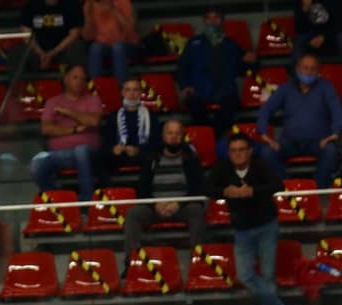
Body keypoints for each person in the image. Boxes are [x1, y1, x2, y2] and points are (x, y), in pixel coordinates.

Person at [206, 134, 298, 305]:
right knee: (245, 275)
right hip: (242, 229)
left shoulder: (260, 164)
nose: (237, 154)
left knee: (267, 276)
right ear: (229, 153)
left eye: (241, 150)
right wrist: (225, 190)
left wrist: (253, 191)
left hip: (266, 226)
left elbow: (277, 185)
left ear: (249, 151)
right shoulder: (222, 168)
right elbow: (207, 188)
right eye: (233, 151)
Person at [125, 119, 207, 260]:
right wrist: (155, 204)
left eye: (177, 133)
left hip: (182, 206)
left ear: (182, 136)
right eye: (170, 133)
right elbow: (142, 189)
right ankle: (132, 261)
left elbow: (197, 189)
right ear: (163, 136)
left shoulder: (191, 158)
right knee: (133, 213)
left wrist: (178, 204)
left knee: (197, 211)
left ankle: (197, 260)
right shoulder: (151, 158)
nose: (173, 137)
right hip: (155, 206)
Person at [257, 54, 342, 189]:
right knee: (267, 152)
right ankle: (285, 187)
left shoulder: (326, 87)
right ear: (297, 69)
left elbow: (336, 110)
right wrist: (264, 134)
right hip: (289, 143)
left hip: (318, 142)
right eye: (305, 68)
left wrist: (335, 133)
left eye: (313, 69)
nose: (308, 72)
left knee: (331, 151)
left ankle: (317, 189)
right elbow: (266, 109)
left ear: (318, 71)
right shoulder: (286, 88)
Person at [176, 7, 256, 136]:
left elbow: (242, 70)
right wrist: (184, 86)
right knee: (192, 102)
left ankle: (213, 136)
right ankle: (208, 134)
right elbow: (182, 67)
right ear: (204, 21)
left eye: (216, 17)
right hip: (199, 90)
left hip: (225, 90)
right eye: (209, 18)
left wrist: (251, 61)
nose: (212, 21)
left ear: (222, 21)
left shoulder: (231, 44)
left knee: (232, 103)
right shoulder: (193, 43)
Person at [30, 65, 103, 201]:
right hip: (59, 153)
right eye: (75, 77)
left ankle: (87, 202)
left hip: (89, 152)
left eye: (83, 78)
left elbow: (93, 121)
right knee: (37, 161)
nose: (79, 81)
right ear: (65, 80)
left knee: (81, 151)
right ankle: (56, 199)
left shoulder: (93, 100)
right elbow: (46, 129)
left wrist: (67, 112)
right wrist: (74, 129)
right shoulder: (53, 102)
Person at [98, 78, 158, 184]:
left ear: (140, 93)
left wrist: (137, 150)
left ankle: (143, 193)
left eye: (135, 90)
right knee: (101, 158)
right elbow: (106, 142)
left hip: (141, 153)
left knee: (151, 157)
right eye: (128, 90)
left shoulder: (151, 115)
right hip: (119, 154)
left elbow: (156, 142)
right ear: (122, 92)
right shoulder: (113, 116)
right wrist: (113, 149)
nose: (132, 94)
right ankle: (109, 191)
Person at [12, 0, 87, 73]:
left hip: (63, 50)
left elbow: (74, 35)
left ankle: (73, 79)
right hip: (37, 51)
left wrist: (53, 52)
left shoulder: (72, 4)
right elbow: (27, 35)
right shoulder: (31, 5)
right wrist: (40, 53)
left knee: (78, 46)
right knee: (18, 51)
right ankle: (18, 82)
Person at [82, 0, 137, 84]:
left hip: (126, 43)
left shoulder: (123, 2)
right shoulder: (90, 4)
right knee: (95, 48)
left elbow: (130, 30)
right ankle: (95, 87)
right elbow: (87, 37)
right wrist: (88, 16)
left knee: (117, 48)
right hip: (103, 45)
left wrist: (113, 10)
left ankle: (120, 87)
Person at [293, 0, 338, 64]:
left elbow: (337, 24)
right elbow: (299, 28)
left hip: (329, 33)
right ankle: (297, 69)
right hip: (308, 33)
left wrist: (323, 36)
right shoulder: (301, 2)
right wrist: (305, 9)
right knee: (299, 43)